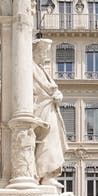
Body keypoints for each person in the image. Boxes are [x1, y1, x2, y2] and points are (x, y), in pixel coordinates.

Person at [32, 39, 69, 184]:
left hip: (50, 108)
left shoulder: (41, 69)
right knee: (47, 140)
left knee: (53, 140)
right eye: (44, 52)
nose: (46, 55)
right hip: (41, 108)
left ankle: (48, 173)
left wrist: (58, 94)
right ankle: (44, 173)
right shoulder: (30, 66)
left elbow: (51, 88)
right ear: (35, 52)